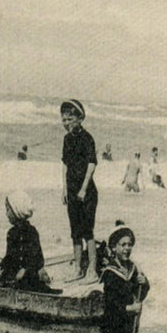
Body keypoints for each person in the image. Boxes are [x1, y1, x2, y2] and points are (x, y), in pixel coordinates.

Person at [61, 99, 98, 279]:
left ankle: (92, 270)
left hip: (87, 192)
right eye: (64, 120)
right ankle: (77, 269)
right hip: (72, 190)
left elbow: (92, 164)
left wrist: (83, 189)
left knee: (87, 231)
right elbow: (65, 165)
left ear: (79, 118)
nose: (66, 123)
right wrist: (64, 189)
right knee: (75, 231)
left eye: (69, 119)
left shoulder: (87, 138)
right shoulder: (67, 140)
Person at [0, 191, 52, 292]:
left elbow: (37, 259)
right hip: (12, 275)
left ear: (17, 211)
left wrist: (25, 269)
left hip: (28, 276)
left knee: (29, 287)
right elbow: (10, 257)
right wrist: (2, 262)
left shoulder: (31, 232)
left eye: (8, 210)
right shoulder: (11, 233)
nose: (6, 213)